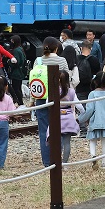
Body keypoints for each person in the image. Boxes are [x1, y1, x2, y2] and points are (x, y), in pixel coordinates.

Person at [33, 36, 70, 167]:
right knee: (58, 128)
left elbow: (34, 81)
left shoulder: (38, 61)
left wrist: (33, 100)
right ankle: (56, 158)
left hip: (41, 98)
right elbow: (67, 80)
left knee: (44, 130)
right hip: (58, 99)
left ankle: (47, 162)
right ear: (56, 48)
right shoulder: (62, 61)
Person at [78, 71, 105, 169]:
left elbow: (89, 110)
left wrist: (80, 119)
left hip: (95, 121)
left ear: (95, 81)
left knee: (92, 140)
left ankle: (93, 155)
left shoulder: (92, 94)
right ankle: (104, 163)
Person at [53, 71, 83, 163]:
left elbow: (47, 104)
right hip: (69, 119)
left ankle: (56, 162)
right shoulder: (71, 91)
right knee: (67, 143)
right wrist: (83, 115)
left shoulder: (53, 91)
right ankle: (64, 163)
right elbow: (79, 106)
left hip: (56, 119)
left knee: (56, 143)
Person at [7, 35, 27, 106]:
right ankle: (21, 101)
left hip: (16, 73)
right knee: (18, 87)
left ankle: (20, 102)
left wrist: (9, 62)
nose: (11, 42)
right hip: (21, 72)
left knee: (16, 88)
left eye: (12, 41)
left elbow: (16, 62)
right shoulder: (20, 49)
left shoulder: (16, 50)